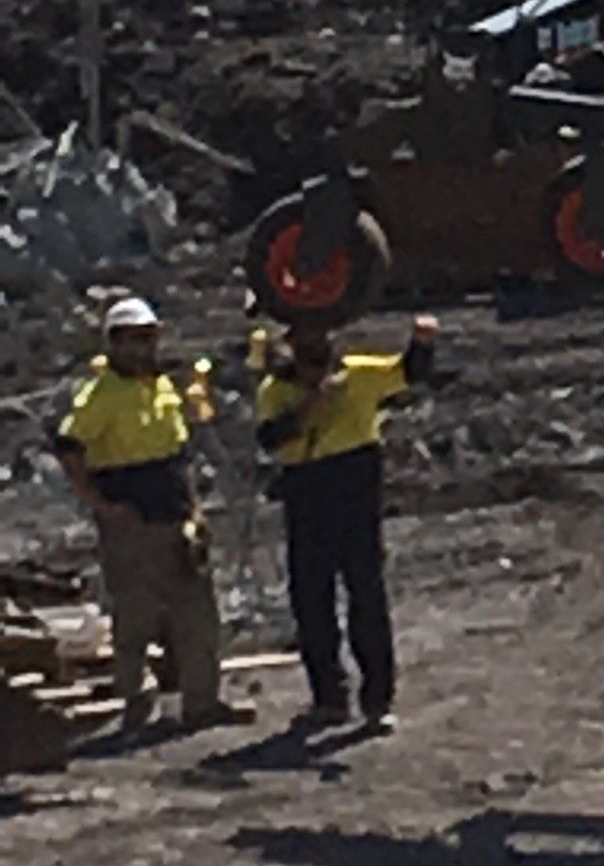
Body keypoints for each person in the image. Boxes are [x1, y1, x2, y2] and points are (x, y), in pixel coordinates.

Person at [52, 295, 252, 741]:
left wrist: (195, 507)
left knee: (197, 612)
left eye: (148, 338)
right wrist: (101, 505)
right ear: (115, 343)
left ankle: (202, 703)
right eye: (134, 340)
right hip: (132, 525)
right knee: (135, 616)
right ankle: (136, 707)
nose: (143, 348)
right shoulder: (101, 395)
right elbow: (69, 448)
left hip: (176, 516)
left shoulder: (160, 387)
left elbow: (178, 456)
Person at [257, 314, 438, 733]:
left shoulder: (357, 374)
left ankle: (377, 698)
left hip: (355, 486)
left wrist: (423, 341)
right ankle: (328, 697)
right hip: (306, 490)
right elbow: (270, 438)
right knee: (312, 598)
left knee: (367, 594)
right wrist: (312, 403)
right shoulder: (276, 391)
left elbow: (408, 374)